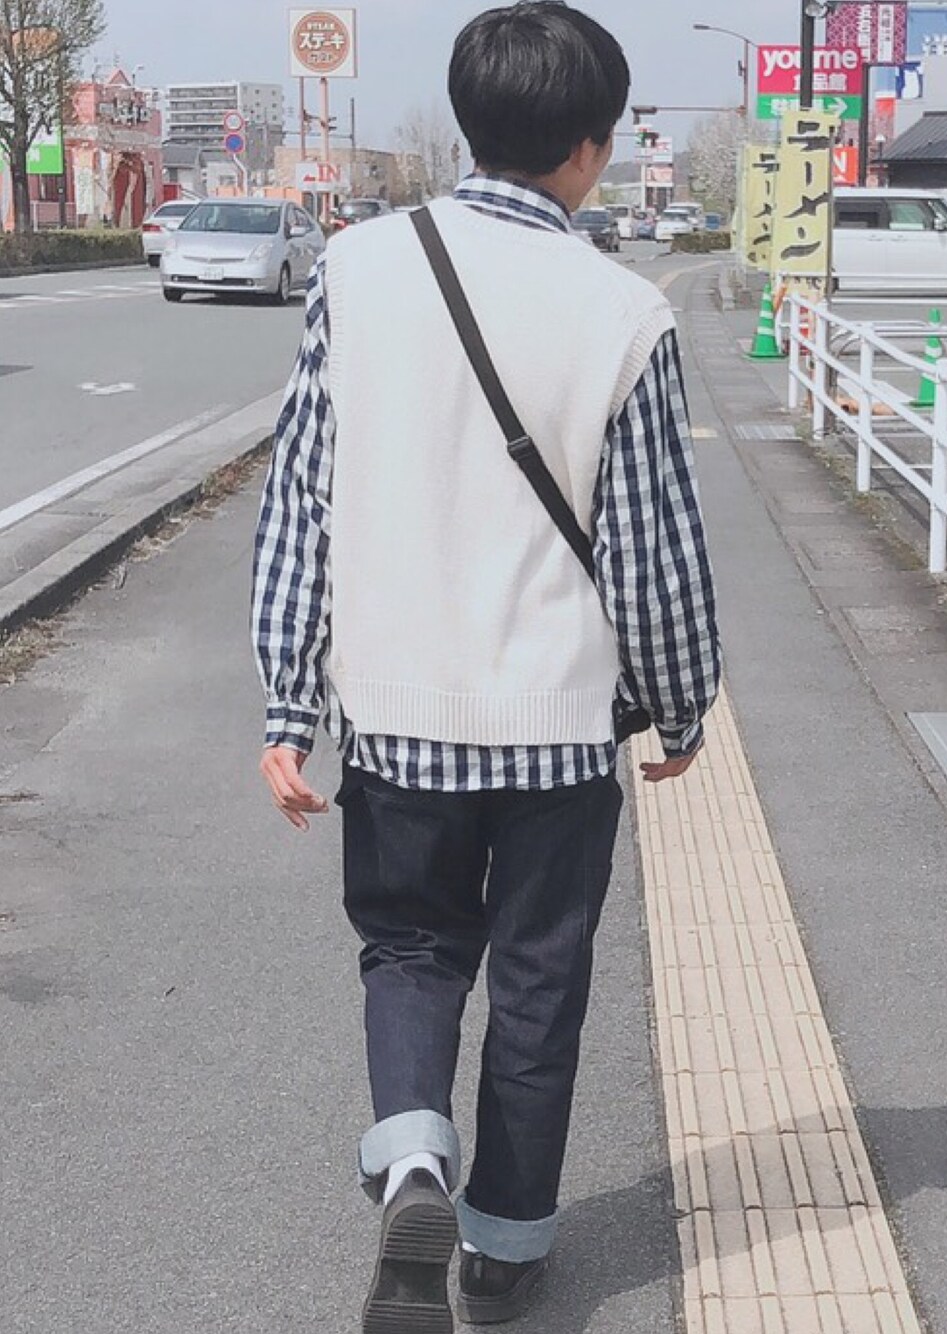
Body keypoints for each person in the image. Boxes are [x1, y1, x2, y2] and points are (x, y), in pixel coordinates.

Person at [252, 3, 720, 1328]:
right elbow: (655, 551)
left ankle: (412, 1156)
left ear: (468, 126)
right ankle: (505, 1249)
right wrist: (682, 704)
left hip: (397, 715)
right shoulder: (624, 312)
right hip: (558, 729)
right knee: (538, 983)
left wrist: (288, 701)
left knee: (408, 948)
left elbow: (302, 497)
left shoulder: (357, 268)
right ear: (590, 149)